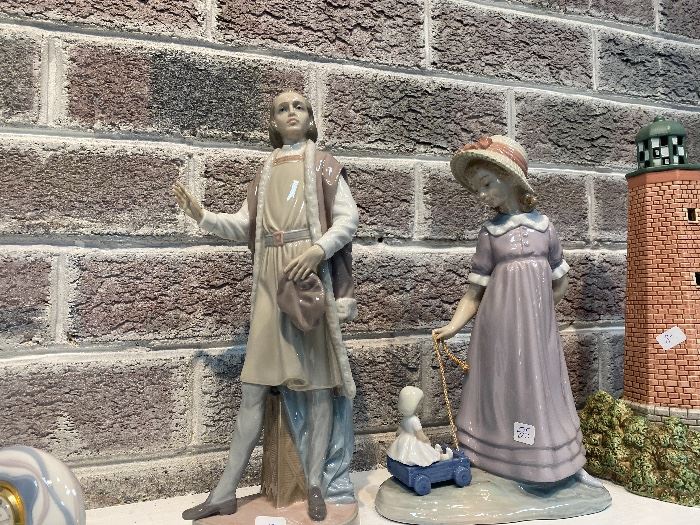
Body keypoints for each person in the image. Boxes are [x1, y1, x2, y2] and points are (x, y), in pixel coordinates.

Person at [173, 91, 359, 520]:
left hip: (306, 278)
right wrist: (203, 216)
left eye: (299, 107)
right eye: (281, 108)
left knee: (317, 387)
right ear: (272, 122)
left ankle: (315, 483)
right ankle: (224, 491)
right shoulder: (266, 171)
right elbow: (245, 225)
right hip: (269, 283)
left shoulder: (325, 166)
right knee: (253, 387)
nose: (291, 112)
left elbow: (348, 219)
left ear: (310, 119)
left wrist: (317, 250)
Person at [433, 135, 600, 486]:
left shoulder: (545, 228)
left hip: (537, 332)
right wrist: (453, 326)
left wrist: (539, 315)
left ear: (510, 178)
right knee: (502, 385)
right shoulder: (490, 234)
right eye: (477, 189)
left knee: (542, 386)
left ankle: (556, 460)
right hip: (497, 329)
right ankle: (497, 455)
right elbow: (474, 293)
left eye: (487, 184)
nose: (482, 195)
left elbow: (560, 281)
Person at [387, 386, 444, 467]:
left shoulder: (405, 418)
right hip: (413, 442)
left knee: (404, 454)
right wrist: (426, 440)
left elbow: (399, 431)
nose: (421, 406)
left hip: (403, 440)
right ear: (413, 405)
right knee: (425, 453)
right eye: (420, 403)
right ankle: (440, 456)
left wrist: (398, 440)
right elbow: (419, 435)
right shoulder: (415, 420)